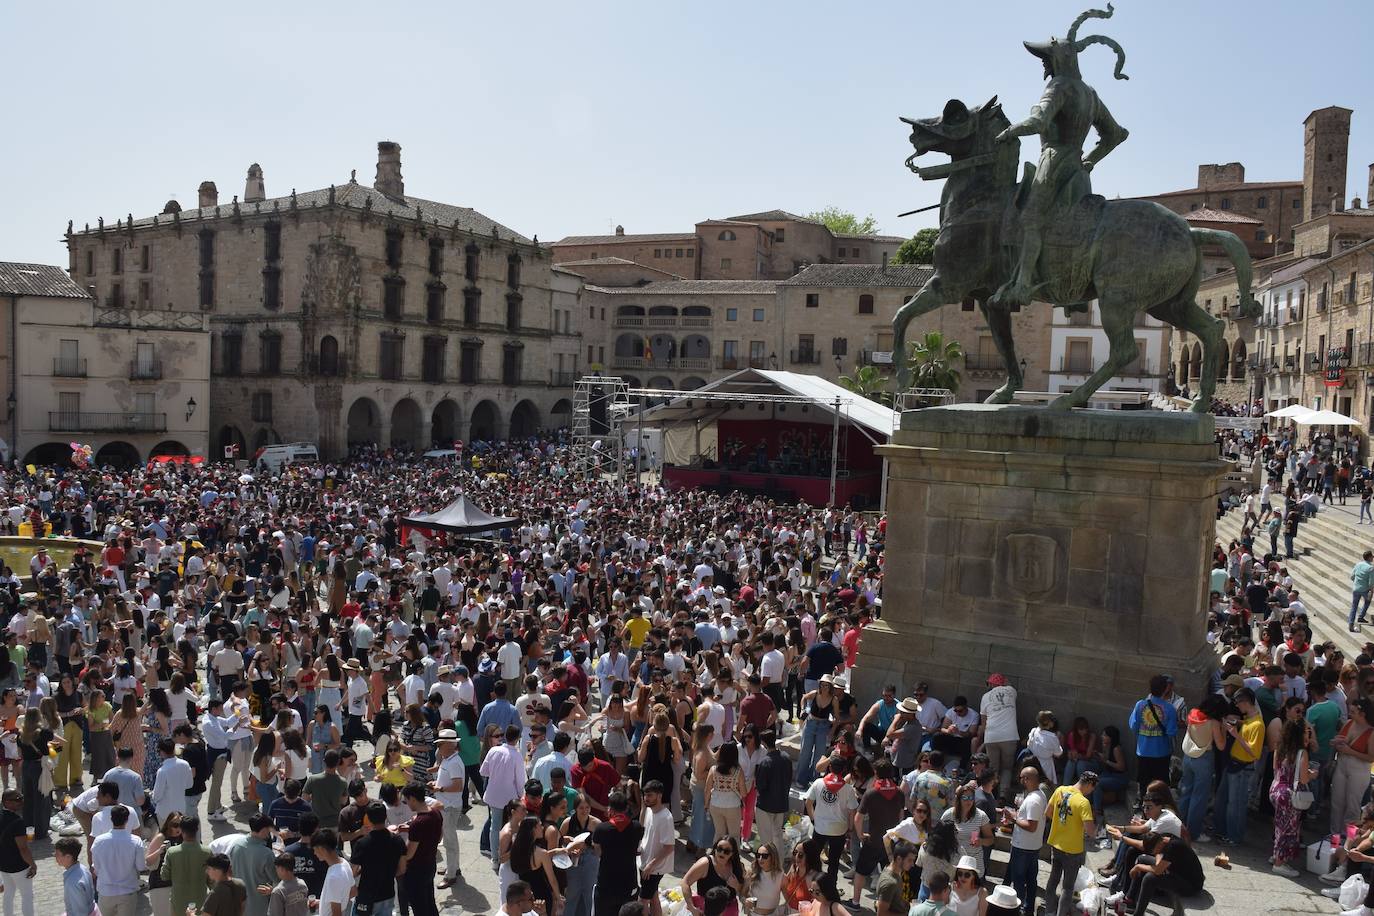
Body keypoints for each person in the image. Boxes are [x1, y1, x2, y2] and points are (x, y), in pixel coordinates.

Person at [1104, 831, 1204, 916]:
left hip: (1190, 885)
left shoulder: (1172, 847)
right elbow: (1158, 858)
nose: (1153, 853)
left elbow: (1157, 871)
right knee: (1142, 859)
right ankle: (1130, 900)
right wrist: (1156, 862)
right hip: (1177, 872)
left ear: (1159, 844)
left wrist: (1137, 867)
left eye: (1154, 850)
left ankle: (1138, 914)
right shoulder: (1164, 837)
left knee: (1150, 878)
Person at [1214, 688, 1264, 846]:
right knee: (1223, 800)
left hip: (1242, 768)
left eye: (1238, 703)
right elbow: (1247, 724)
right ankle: (1223, 831)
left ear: (1246, 702)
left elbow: (1254, 753)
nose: (1237, 706)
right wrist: (1237, 723)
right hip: (1233, 764)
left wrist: (1236, 735)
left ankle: (1234, 836)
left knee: (1235, 804)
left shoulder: (1258, 725)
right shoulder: (1249, 719)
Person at [1269, 717, 1318, 878]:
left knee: (1278, 826)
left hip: (1276, 790)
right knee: (1288, 829)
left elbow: (1276, 769)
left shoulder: (1280, 747)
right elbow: (1303, 779)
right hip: (1290, 795)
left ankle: (1276, 855)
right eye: (1306, 731)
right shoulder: (1301, 752)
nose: (1308, 733)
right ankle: (1279, 863)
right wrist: (1312, 775)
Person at [1043, 771, 1097, 916]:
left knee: (1053, 880)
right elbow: (1091, 831)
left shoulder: (1060, 790)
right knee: (1067, 888)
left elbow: (1048, 812)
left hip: (1055, 843)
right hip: (1072, 850)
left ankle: (1049, 912)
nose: (1091, 792)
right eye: (1092, 788)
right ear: (1089, 784)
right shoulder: (1083, 802)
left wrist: (1061, 823)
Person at [1177, 695, 1226, 843]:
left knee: (1186, 793)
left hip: (1188, 757)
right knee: (1199, 797)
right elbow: (1221, 746)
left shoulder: (1193, 714)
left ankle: (1178, 827)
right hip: (1204, 759)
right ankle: (1193, 833)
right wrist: (1224, 729)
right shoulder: (1214, 722)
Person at [1003, 766, 1046, 916]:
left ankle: (1018, 909)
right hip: (1031, 847)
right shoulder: (1038, 794)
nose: (1020, 780)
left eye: (1022, 777)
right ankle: (1027, 909)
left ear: (1027, 779)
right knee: (1030, 880)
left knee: (1019, 881)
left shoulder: (1034, 800)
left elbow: (1031, 826)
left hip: (1023, 848)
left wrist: (1013, 818)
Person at [804, 758, 858, 878]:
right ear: (843, 770)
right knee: (834, 862)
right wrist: (850, 827)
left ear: (829, 767)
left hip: (820, 828)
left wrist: (813, 819)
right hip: (839, 830)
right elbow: (852, 810)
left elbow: (808, 802)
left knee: (813, 859)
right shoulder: (848, 789)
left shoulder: (818, 783)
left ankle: (811, 883)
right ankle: (831, 888)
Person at [592, 791, 643, 916]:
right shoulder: (637, 827)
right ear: (626, 808)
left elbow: (598, 852)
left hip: (606, 885)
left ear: (610, 809)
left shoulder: (601, 829)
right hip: (628, 884)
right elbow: (638, 849)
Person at [1127, 676, 1178, 801]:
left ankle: (1145, 809)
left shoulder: (1140, 705)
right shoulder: (1170, 709)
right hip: (1162, 753)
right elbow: (1171, 732)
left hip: (1143, 751)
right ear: (1165, 689)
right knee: (1160, 785)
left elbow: (1133, 725)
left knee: (1144, 783)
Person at [90, 804, 146, 916]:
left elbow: (96, 867)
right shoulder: (136, 841)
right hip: (128, 892)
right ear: (127, 820)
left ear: (111, 819)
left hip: (106, 892)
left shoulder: (99, 841)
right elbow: (141, 867)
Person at [398, 784, 441, 916]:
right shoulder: (436, 813)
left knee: (420, 908)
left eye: (406, 800)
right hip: (430, 865)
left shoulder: (418, 823)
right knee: (429, 903)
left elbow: (409, 854)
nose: (406, 804)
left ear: (412, 799)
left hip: (416, 871)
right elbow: (439, 838)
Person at [978, 674, 1018, 803]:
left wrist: (982, 742)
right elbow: (1009, 682)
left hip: (991, 736)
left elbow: (984, 723)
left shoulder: (985, 697)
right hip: (1009, 736)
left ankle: (989, 793)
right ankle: (1002, 795)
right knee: (1007, 767)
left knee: (993, 768)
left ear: (990, 684)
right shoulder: (1011, 691)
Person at [227, 815, 279, 916]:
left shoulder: (236, 845)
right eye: (269, 830)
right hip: (261, 906)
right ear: (264, 830)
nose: (269, 834)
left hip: (239, 903)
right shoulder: (266, 853)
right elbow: (277, 880)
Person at [163, 815, 213, 916]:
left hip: (178, 904)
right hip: (201, 902)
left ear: (181, 830)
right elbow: (212, 881)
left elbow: (164, 876)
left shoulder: (172, 852)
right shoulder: (207, 852)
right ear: (197, 829)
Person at [638, 780, 675, 916]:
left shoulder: (666, 817)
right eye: (645, 795)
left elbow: (669, 847)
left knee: (642, 901)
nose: (646, 798)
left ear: (659, 796)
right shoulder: (648, 810)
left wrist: (651, 865)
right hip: (645, 863)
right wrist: (643, 807)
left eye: (650, 795)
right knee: (653, 897)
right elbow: (642, 826)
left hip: (654, 868)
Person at [0, 790, 37, 916]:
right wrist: (33, 864)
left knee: (8, 894)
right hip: (18, 866)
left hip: (3, 865)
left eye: (21, 798)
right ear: (7, 802)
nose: (21, 802)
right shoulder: (17, 822)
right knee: (27, 896)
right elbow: (23, 849)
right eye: (17, 800)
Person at [54, 836, 96, 916]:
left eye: (57, 854)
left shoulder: (72, 882)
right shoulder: (83, 868)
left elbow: (80, 911)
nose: (54, 856)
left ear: (68, 857)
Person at [875, 839, 918, 916]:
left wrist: (909, 905)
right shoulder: (890, 883)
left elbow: (896, 899)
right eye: (910, 860)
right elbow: (881, 914)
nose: (912, 864)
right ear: (899, 859)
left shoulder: (895, 871)